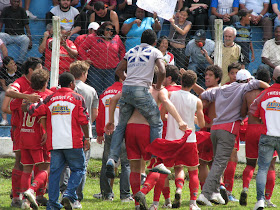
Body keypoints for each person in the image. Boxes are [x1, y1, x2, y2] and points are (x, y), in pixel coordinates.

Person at [105, 29, 187, 178]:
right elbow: (162, 70)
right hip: (141, 90)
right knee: (156, 122)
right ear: (155, 42)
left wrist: (128, 80)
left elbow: (118, 70)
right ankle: (157, 160)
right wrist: (158, 85)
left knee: (121, 126)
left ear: (140, 40)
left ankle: (112, 158)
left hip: (127, 89)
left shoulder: (131, 51)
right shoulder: (155, 52)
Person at [197, 69, 269, 206]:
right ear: (248, 80)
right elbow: (259, 83)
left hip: (215, 128)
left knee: (216, 161)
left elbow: (203, 95)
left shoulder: (222, 88)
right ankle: (205, 194)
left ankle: (216, 192)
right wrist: (271, 89)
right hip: (228, 129)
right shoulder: (245, 86)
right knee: (220, 163)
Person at [27, 72, 90, 209]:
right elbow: (84, 120)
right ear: (72, 84)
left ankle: (53, 204)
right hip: (73, 142)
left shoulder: (50, 98)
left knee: (55, 173)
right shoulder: (77, 98)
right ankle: (68, 194)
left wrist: (27, 104)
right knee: (79, 169)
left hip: (54, 143)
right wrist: (87, 138)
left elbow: (33, 110)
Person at [147, 70, 204, 210]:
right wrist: (191, 119)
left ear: (181, 80)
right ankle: (192, 203)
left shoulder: (170, 95)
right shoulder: (197, 100)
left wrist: (171, 119)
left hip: (171, 140)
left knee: (163, 171)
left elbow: (162, 116)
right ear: (193, 84)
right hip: (189, 140)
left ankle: (155, 204)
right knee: (193, 171)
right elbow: (202, 125)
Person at [10, 69, 52, 209]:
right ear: (45, 82)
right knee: (45, 167)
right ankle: (32, 191)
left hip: (23, 135)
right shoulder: (47, 96)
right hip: (38, 137)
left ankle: (25, 201)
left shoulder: (24, 96)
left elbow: (14, 107)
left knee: (27, 169)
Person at [4, 57, 42, 208]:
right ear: (31, 70)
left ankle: (35, 195)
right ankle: (16, 196)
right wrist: (26, 99)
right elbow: (8, 94)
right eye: (39, 68)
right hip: (20, 129)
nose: (42, 71)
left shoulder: (38, 83)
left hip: (34, 129)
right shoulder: (20, 82)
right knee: (21, 161)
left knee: (36, 163)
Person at [240, 67, 277, 208]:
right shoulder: (269, 93)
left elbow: (243, 112)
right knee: (270, 166)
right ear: (269, 80)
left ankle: (245, 188)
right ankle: (267, 199)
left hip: (251, 129)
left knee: (250, 164)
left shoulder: (248, 93)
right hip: (266, 129)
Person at [94, 74, 132, 202]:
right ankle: (125, 195)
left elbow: (99, 115)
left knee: (106, 162)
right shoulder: (127, 91)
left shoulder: (105, 93)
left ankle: (107, 194)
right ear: (122, 78)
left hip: (109, 131)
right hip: (123, 131)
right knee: (126, 164)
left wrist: (99, 133)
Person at [69, 60, 99, 205]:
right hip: (84, 131)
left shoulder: (67, 88)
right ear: (83, 74)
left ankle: (66, 191)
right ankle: (77, 195)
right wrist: (88, 123)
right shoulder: (91, 90)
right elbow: (95, 113)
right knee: (82, 165)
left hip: (67, 129)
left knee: (67, 164)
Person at [251, 66, 280, 210]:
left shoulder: (265, 94)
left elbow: (252, 111)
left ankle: (260, 201)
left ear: (273, 78)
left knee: (262, 168)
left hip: (267, 135)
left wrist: (263, 121)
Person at [79, 21, 125, 95]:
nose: (109, 32)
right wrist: (85, 58)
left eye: (112, 30)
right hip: (96, 70)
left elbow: (122, 49)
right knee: (97, 91)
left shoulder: (116, 38)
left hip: (111, 70)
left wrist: (120, 61)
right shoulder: (92, 37)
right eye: (107, 29)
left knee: (108, 92)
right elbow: (82, 48)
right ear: (102, 29)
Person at [0, 0, 32, 64]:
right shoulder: (5, 10)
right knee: (1, 35)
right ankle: (5, 61)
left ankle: (19, 62)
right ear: (10, 2)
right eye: (14, 2)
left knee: (26, 39)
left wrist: (30, 40)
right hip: (8, 35)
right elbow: (1, 24)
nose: (16, 3)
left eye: (17, 2)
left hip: (19, 36)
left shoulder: (22, 11)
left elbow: (27, 26)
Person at [0, 56, 20, 126]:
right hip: (7, 90)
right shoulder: (2, 71)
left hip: (18, 90)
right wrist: (9, 91)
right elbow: (3, 85)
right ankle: (4, 119)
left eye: (13, 63)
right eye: (10, 64)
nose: (13, 65)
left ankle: (18, 119)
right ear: (6, 66)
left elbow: (22, 82)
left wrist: (15, 71)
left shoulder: (19, 69)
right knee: (2, 96)